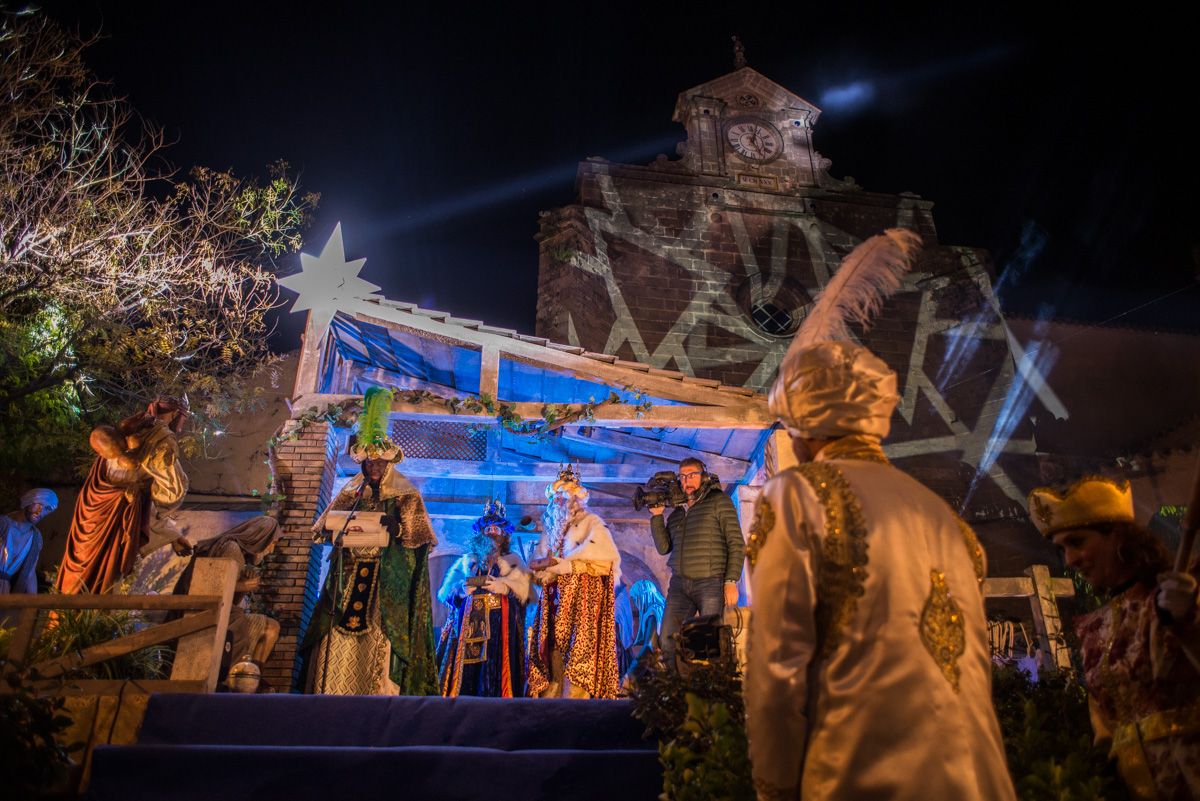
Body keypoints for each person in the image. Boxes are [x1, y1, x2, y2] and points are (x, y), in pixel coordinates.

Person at [744, 228, 1015, 800]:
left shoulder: (797, 497)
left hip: (863, 773)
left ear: (802, 426)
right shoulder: (942, 513)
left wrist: (775, 786)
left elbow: (776, 669)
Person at [1029, 476, 1199, 800]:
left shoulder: (1173, 600)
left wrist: (1189, 622)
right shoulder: (1094, 628)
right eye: (1061, 549)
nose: (1070, 560)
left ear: (1120, 537)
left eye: (1077, 542)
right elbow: (1105, 728)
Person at [302, 387, 438, 696]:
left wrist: (399, 528)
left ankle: (376, 691)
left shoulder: (407, 496)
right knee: (334, 635)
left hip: (382, 584)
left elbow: (419, 543)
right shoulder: (352, 494)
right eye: (370, 465)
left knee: (380, 636)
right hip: (349, 577)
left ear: (389, 467)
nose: (374, 469)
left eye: (379, 465)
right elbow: (323, 529)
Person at [57, 396, 191, 595]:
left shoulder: (130, 426)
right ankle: (91, 621)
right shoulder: (159, 437)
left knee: (85, 575)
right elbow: (170, 492)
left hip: (96, 511)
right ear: (175, 414)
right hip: (117, 515)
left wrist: (174, 535)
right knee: (108, 576)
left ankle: (75, 618)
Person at [527, 465, 621, 699]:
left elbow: (606, 565)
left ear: (575, 497)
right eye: (555, 496)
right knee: (553, 651)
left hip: (583, 602)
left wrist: (569, 567)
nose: (558, 501)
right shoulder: (551, 529)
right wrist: (544, 572)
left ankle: (576, 703)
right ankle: (551, 703)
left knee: (579, 655)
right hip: (555, 603)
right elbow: (540, 565)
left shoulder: (593, 524)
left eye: (564, 495)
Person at [648, 457, 743, 666]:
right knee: (667, 639)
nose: (686, 481)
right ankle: (679, 692)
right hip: (679, 585)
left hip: (710, 582)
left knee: (709, 641)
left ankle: (711, 694)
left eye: (692, 475)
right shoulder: (677, 513)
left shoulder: (719, 501)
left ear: (704, 476)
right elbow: (664, 548)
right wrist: (656, 516)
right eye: (682, 476)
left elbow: (736, 543)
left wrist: (731, 581)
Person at [436, 500, 532, 697]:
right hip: (468, 625)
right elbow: (447, 593)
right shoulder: (466, 562)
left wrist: (505, 588)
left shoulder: (514, 563)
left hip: (499, 628)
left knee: (493, 670)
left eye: (496, 532)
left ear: (504, 537)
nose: (492, 535)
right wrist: (461, 591)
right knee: (468, 672)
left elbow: (525, 596)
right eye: (488, 531)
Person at [1, 489, 58, 604]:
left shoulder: (35, 538)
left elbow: (29, 573)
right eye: (39, 505)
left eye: (47, 509)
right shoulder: (2, 524)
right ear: (30, 500)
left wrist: (32, 604)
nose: (40, 512)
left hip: (5, 592)